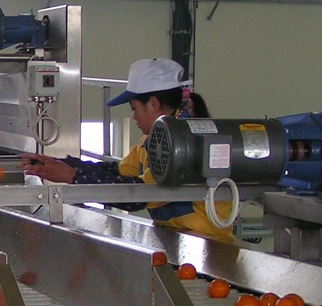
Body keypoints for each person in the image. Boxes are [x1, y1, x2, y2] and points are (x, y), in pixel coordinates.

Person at [20, 58, 233, 242]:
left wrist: (72, 176)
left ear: (154, 104)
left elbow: (138, 194)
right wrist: (66, 164)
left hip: (209, 247)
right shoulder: (150, 143)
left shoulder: (186, 145)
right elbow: (119, 172)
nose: (133, 117)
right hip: (178, 239)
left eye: (134, 109)